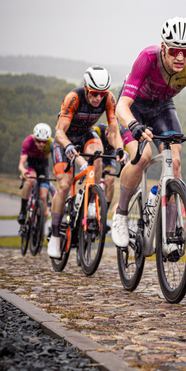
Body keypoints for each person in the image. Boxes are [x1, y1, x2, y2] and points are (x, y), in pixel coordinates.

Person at [112, 16, 186, 254]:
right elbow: (121, 107)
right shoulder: (147, 58)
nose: (180, 57)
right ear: (163, 47)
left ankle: (169, 235)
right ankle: (120, 214)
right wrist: (133, 125)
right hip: (135, 108)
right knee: (142, 156)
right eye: (174, 51)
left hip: (162, 109)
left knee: (176, 162)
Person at [47, 67, 125, 258]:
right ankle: (55, 237)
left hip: (84, 135)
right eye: (94, 93)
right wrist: (68, 148)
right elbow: (59, 132)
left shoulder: (109, 99)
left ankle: (91, 201)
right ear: (86, 88)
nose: (98, 98)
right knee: (64, 186)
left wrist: (121, 149)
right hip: (64, 139)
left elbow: (113, 132)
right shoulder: (74, 97)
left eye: (102, 93)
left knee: (97, 156)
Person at [17, 123, 53, 225]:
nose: (41, 144)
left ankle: (39, 224)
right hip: (31, 164)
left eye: (44, 142)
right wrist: (24, 171)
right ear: (35, 138)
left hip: (44, 166)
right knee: (31, 180)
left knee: (43, 196)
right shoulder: (28, 141)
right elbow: (21, 164)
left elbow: (56, 161)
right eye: (38, 141)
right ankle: (23, 211)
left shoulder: (52, 143)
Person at [93, 122, 122, 211]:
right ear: (106, 131)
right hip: (95, 152)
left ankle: (104, 212)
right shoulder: (99, 129)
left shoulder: (119, 135)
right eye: (111, 136)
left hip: (109, 156)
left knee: (110, 180)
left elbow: (125, 153)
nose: (112, 141)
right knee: (92, 176)